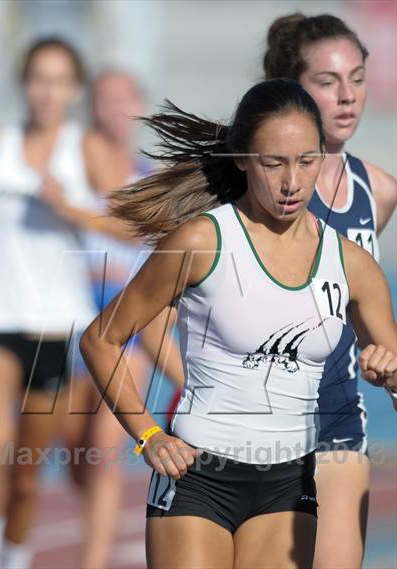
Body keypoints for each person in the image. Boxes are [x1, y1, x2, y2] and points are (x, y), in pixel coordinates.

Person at [80, 78, 397, 569]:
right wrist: (147, 435)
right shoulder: (202, 242)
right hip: (198, 479)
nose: (291, 182)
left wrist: (391, 375)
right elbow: (102, 339)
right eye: (274, 163)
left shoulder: (353, 266)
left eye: (306, 161)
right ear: (244, 160)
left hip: (289, 483)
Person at [262, 13, 397, 569]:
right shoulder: (262, 183)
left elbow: (366, 314)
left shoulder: (380, 190)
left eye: (358, 78)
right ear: (296, 87)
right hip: (255, 426)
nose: (348, 97)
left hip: (339, 419)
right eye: (327, 82)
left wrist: (384, 360)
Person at [0, 37, 100, 569]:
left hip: (54, 330)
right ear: (24, 83)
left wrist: (69, 207)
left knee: (25, 475)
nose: (47, 92)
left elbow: (127, 225)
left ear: (74, 90)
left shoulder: (85, 149)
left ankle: (14, 559)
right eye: (38, 79)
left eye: (58, 81)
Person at [64, 69, 184, 569]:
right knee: (76, 456)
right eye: (104, 98)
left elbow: (137, 236)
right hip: (70, 315)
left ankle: (93, 561)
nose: (113, 107)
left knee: (104, 445)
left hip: (127, 320)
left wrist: (67, 210)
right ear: (91, 104)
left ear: (137, 106)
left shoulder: (147, 177)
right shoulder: (70, 163)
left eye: (123, 98)